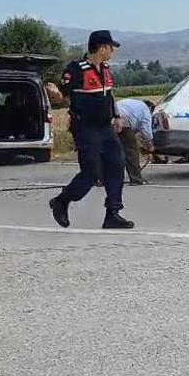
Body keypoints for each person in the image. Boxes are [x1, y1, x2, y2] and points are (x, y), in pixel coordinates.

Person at [48, 30, 133, 229]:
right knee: (91, 173)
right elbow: (63, 97)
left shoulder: (105, 68)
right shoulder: (76, 69)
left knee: (116, 165)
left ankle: (113, 213)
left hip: (105, 127)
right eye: (111, 47)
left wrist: (117, 116)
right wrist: (55, 95)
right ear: (102, 48)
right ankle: (61, 201)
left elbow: (109, 96)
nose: (113, 50)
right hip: (85, 128)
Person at [116, 98, 155, 185]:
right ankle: (136, 179)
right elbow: (146, 130)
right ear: (150, 109)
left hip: (108, 119)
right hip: (123, 121)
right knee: (131, 152)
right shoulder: (145, 109)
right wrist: (150, 146)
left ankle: (101, 179)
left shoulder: (131, 103)